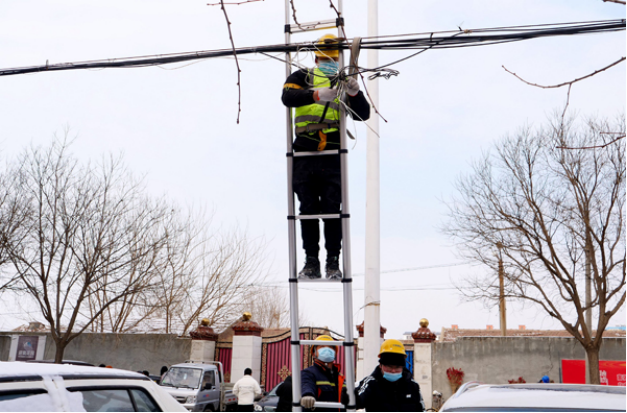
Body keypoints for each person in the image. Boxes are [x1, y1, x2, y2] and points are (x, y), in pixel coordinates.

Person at [282, 34, 371, 281]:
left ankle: (333, 262)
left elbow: (363, 115)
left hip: (333, 153)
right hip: (304, 152)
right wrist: (316, 95)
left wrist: (354, 93)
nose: (328, 62)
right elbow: (287, 98)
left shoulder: (344, 81)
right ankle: (311, 262)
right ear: (316, 57)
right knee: (307, 209)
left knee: (333, 209)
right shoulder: (302, 77)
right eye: (324, 58)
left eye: (332, 58)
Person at [353, 339, 425, 412]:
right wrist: (351, 397)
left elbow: (421, 409)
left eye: (397, 367)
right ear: (380, 365)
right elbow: (358, 400)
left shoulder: (413, 386)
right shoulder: (370, 383)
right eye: (389, 367)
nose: (393, 371)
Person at [300, 335, 346, 412]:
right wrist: (308, 395)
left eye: (330, 347)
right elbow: (306, 385)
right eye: (322, 347)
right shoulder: (308, 373)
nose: (327, 350)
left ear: (334, 353)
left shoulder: (340, 377)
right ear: (314, 354)